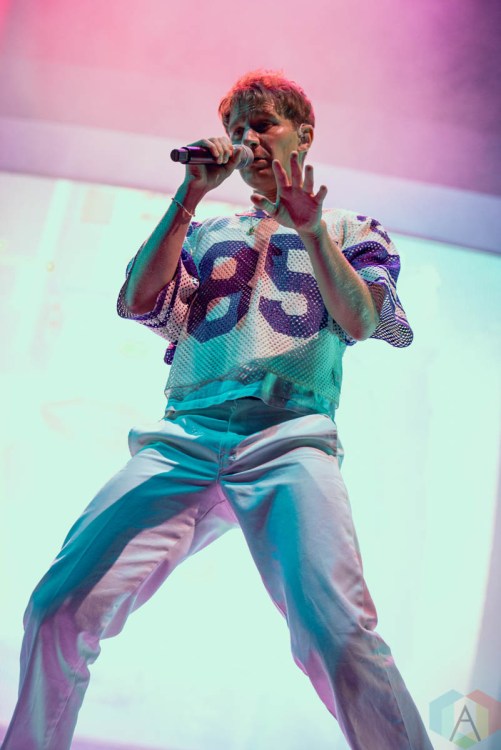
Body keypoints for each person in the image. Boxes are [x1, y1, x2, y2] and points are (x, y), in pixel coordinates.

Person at [1, 69, 434, 750]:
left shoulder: (353, 229)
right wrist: (189, 194)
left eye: (263, 124)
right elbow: (138, 300)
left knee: (335, 635)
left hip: (288, 438)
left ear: (303, 135)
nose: (247, 139)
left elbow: (359, 319)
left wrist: (312, 232)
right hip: (185, 436)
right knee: (58, 607)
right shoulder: (207, 231)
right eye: (236, 129)